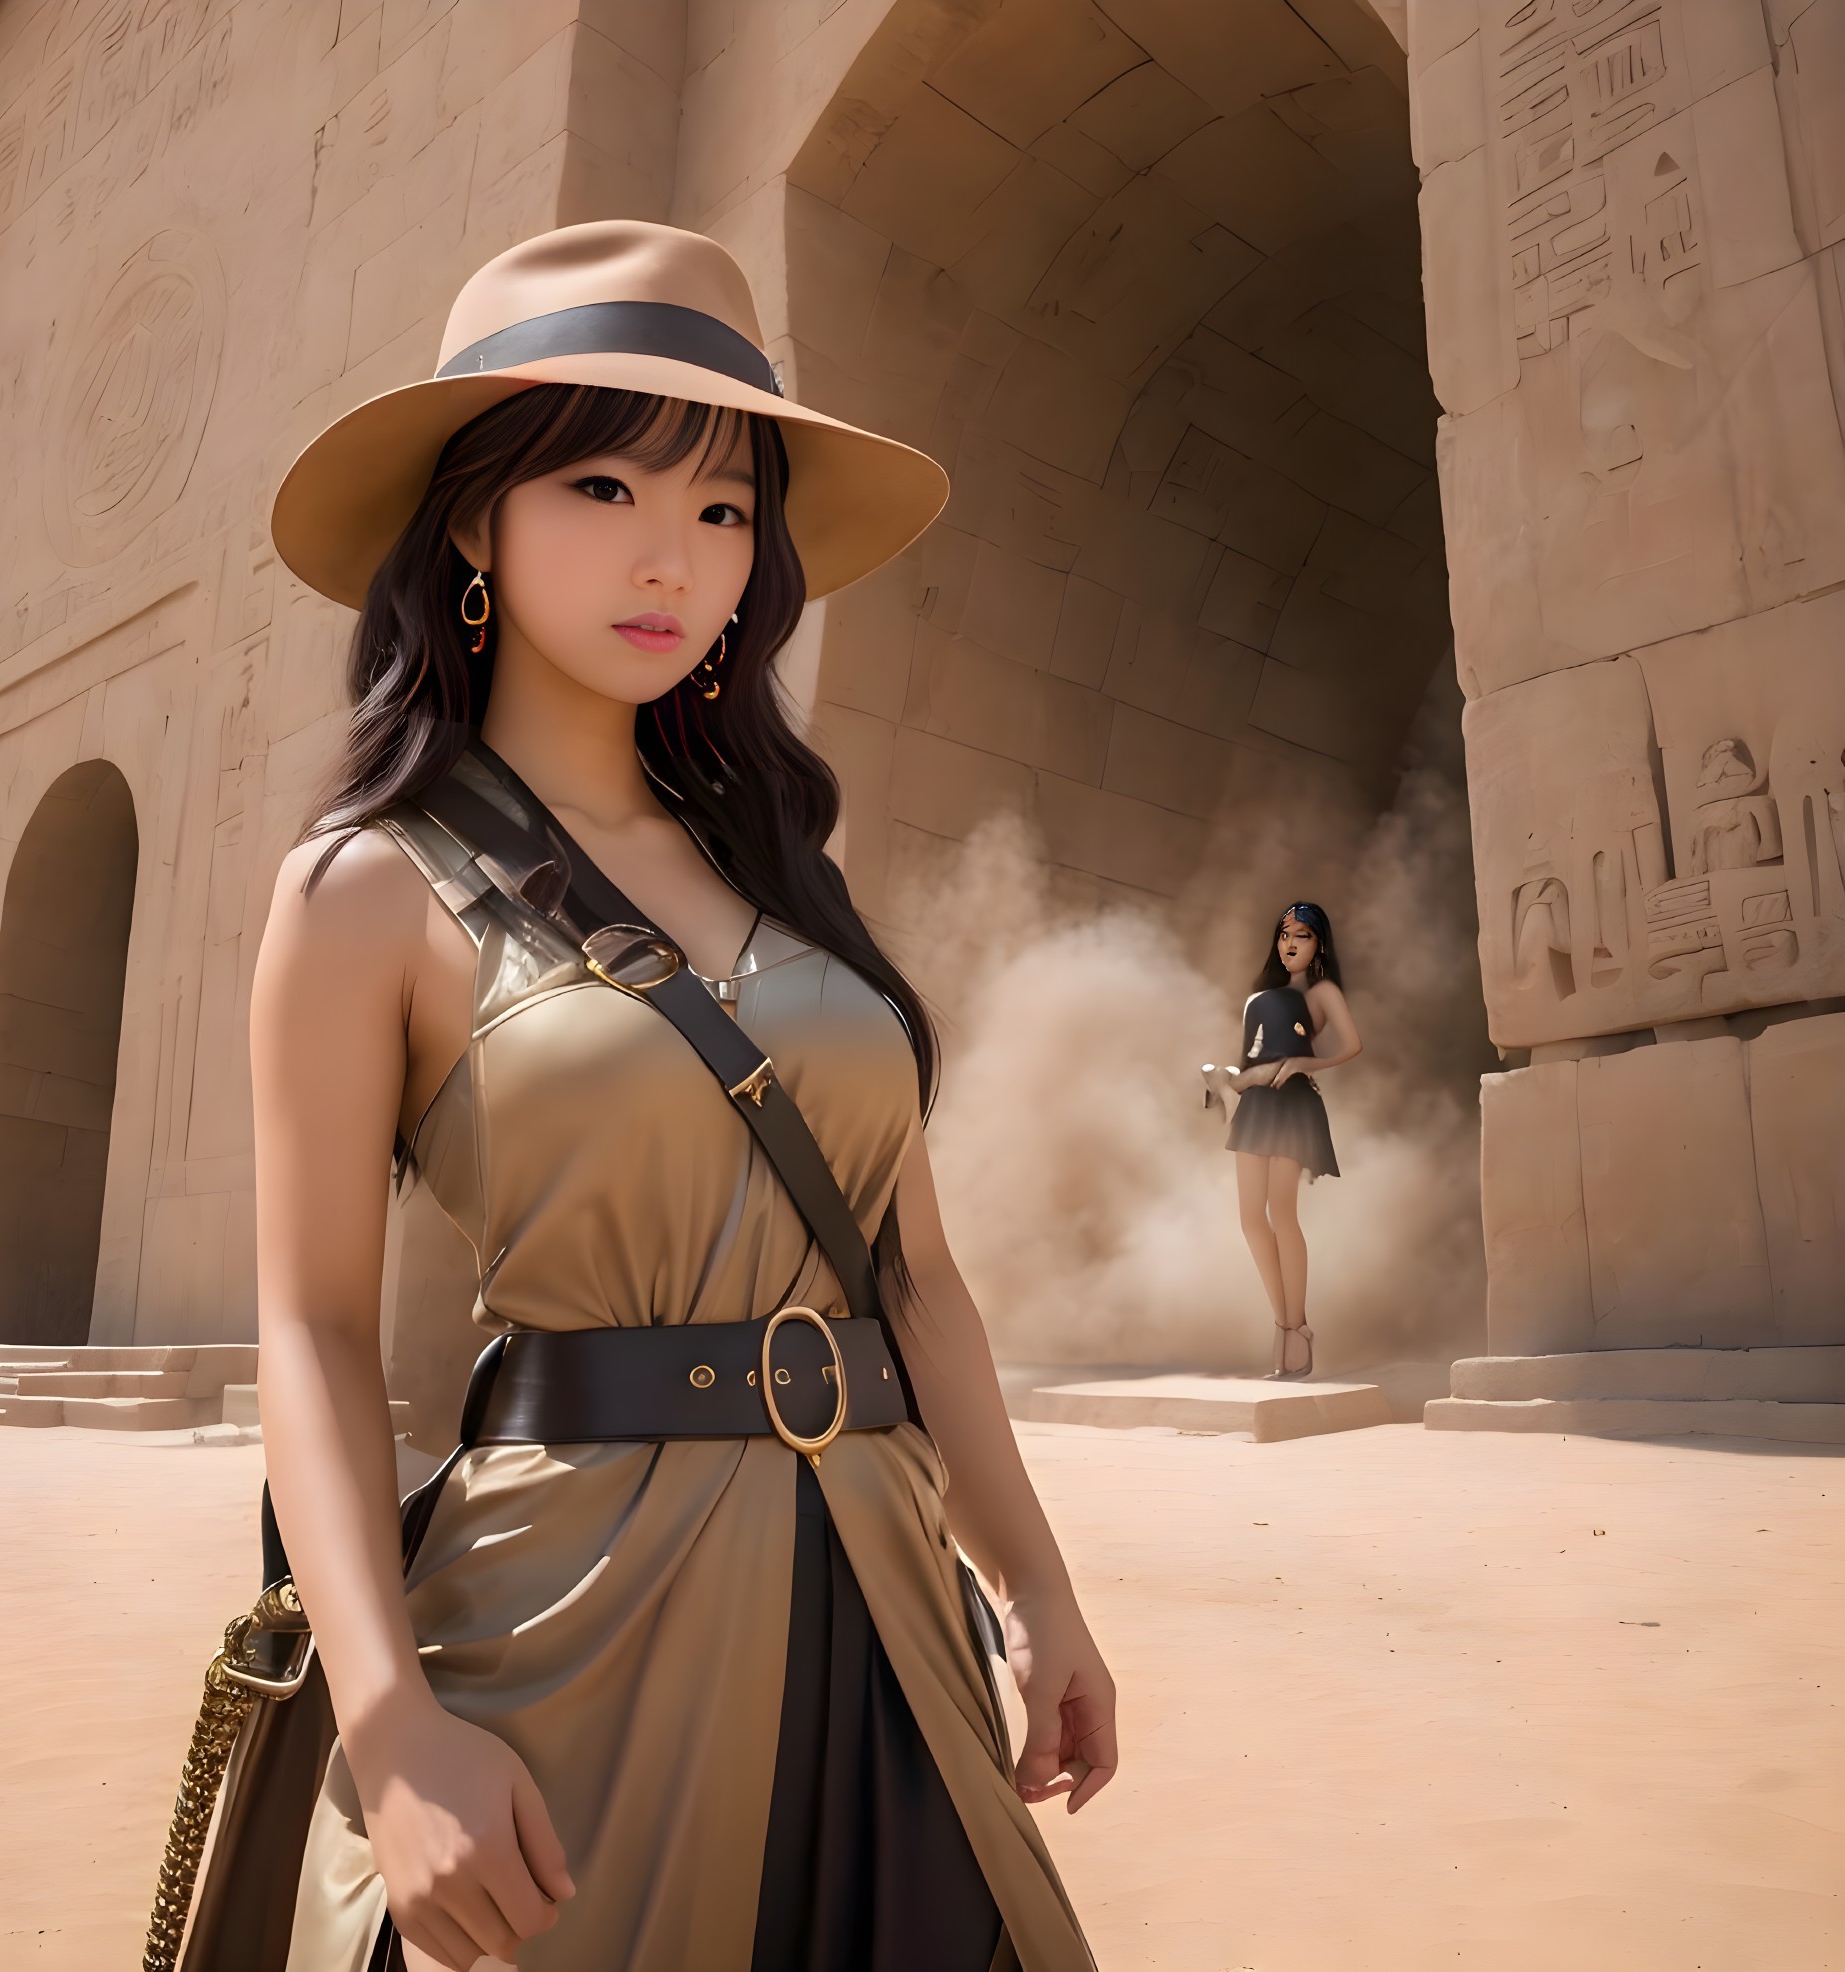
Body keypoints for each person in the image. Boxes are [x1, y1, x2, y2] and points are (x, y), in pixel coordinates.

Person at [247, 221, 1112, 1971]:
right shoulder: (366, 889)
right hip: (570, 1629)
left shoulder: (785, 867)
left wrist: (1035, 1582)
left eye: (724, 511)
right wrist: (389, 1721)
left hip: (887, 1617)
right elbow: (315, 1328)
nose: (674, 557)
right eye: (604, 489)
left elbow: (913, 1273)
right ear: (473, 518)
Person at [1222, 903, 1362, 1380]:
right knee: (1249, 1218)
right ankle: (1285, 1325)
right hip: (1257, 1103)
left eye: (1302, 935)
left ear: (1319, 943)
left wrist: (1307, 1065)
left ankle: (1295, 1332)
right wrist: (1232, 1082)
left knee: (1282, 1213)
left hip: (1293, 1104)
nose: (1290, 944)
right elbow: (1249, 1058)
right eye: (1285, 935)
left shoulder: (1323, 991)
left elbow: (1351, 1045)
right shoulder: (1262, 996)